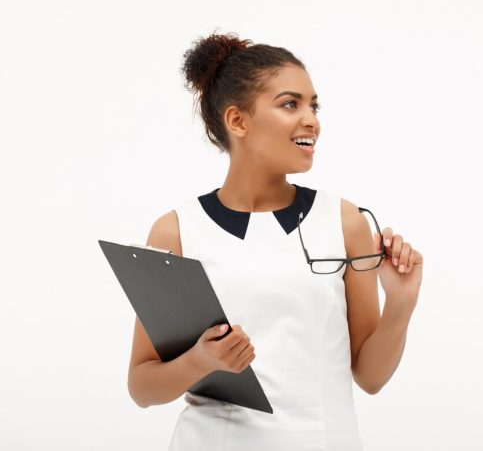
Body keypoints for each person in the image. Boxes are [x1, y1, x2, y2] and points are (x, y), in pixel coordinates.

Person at [126, 31, 424, 450]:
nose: (312, 120)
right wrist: (201, 361)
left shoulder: (345, 222)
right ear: (237, 121)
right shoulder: (176, 231)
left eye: (313, 105)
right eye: (290, 104)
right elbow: (142, 386)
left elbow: (370, 377)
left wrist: (401, 304)